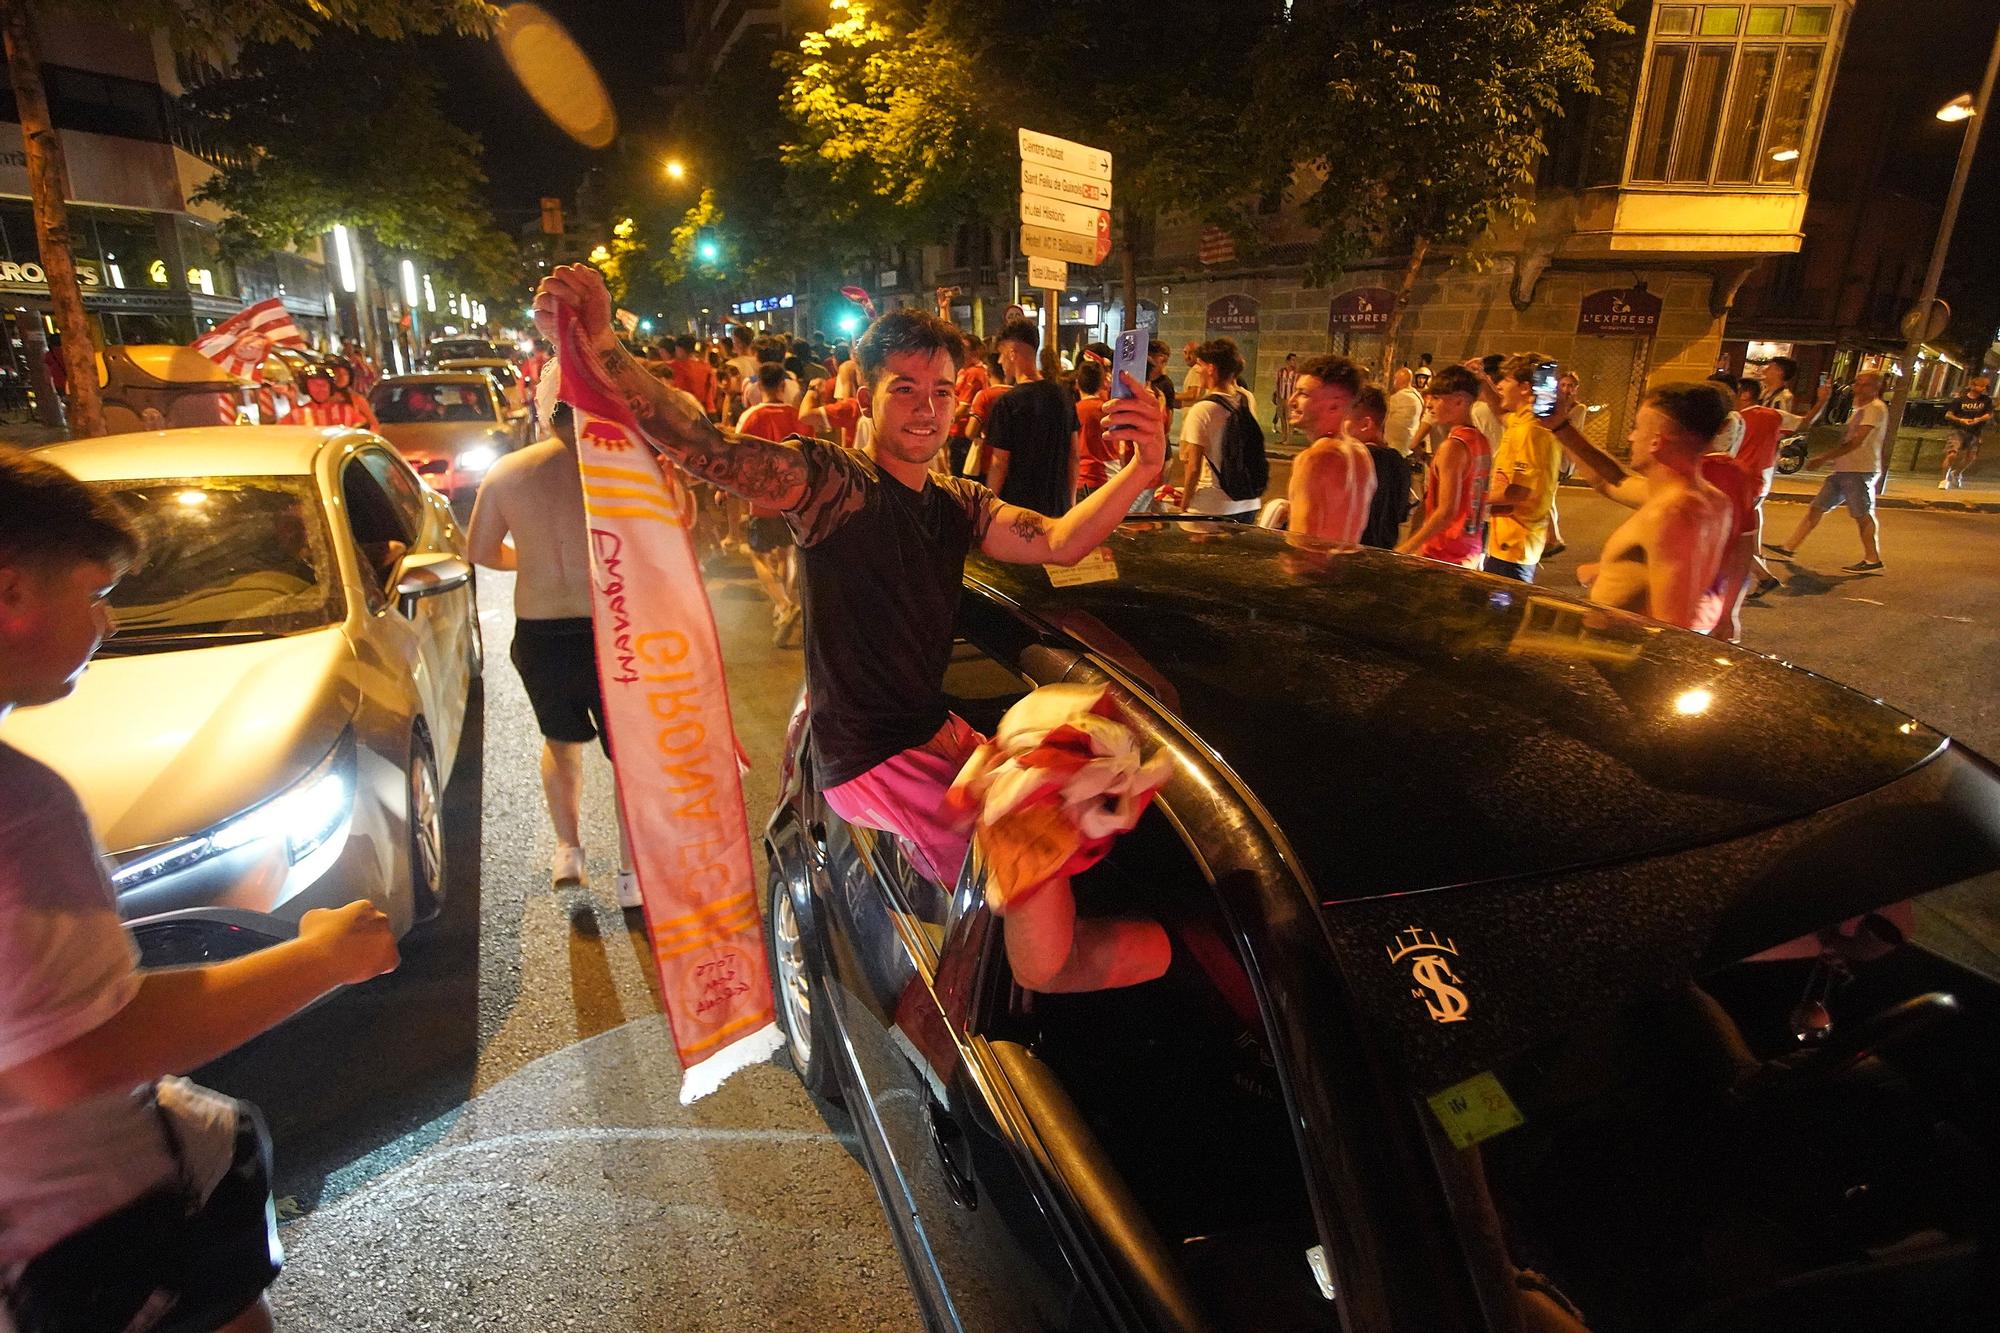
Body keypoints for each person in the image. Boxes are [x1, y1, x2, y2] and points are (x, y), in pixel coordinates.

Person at [533, 264, 1172, 994]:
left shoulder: (957, 502)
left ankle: (1163, 951)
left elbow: (1059, 540)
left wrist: (1142, 469)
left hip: (933, 733)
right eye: (903, 388)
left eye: (939, 391)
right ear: (864, 397)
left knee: (1079, 783)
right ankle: (1081, 974)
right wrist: (606, 344)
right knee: (1033, 873)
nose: (925, 409)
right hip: (870, 759)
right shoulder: (835, 485)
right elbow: (703, 444)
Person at [0, 446, 398, 1332]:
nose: (106, 623)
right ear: (11, 593)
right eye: (97, 592)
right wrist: (322, 957)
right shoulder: (20, 807)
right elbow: (75, 1055)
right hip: (86, 1234)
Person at [466, 399, 639, 904]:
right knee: (628, 756)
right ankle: (630, 876)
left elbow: (478, 550)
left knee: (560, 743)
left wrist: (534, 558)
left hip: (541, 631)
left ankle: (568, 849)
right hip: (611, 629)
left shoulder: (507, 472)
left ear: (546, 415)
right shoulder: (620, 469)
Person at [1546, 380, 1737, 629]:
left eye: (1636, 428)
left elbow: (1674, 628)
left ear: (1656, 442)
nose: (1630, 436)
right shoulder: (1703, 499)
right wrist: (1560, 426)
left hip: (1621, 658)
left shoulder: (1673, 514)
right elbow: (1610, 480)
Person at [1767, 370, 1888, 574]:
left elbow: (1856, 442)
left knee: (1862, 513)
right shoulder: (1861, 407)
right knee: (1817, 507)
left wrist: (1823, 457)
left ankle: (1872, 558)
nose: (1857, 387)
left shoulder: (1875, 408)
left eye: (1864, 384)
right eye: (1857, 382)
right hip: (1845, 469)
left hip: (1859, 469)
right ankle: (1789, 547)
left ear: (1876, 387)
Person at [736, 368, 806, 647]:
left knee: (758, 554)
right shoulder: (796, 416)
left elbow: (737, 454)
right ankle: (782, 606)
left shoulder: (751, 416)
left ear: (760, 385)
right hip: (794, 497)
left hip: (762, 497)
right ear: (782, 385)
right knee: (787, 552)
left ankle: (784, 604)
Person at [1397, 364, 1492, 567]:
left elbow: (1447, 510)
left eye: (1437, 398)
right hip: (1470, 547)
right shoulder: (1480, 441)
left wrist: (1407, 547)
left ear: (1460, 400)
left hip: (1445, 553)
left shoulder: (1453, 447)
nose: (1430, 404)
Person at [984, 317, 1079, 516]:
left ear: (1011, 353)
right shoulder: (1064, 397)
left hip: (1018, 512)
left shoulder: (1008, 403)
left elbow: (999, 464)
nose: (1000, 362)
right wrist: (1069, 503)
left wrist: (988, 509)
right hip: (1057, 510)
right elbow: (1073, 456)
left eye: (1001, 354)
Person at [1482, 353, 1564, 583]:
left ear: (1525, 388)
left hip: (1515, 548)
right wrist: (1481, 379)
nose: (1499, 386)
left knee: (1501, 614)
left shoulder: (1532, 430)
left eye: (1506, 381)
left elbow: (1519, 492)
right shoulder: (1522, 421)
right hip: (1506, 545)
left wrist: (1475, 498)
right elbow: (1499, 412)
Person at [1729, 377, 1807, 599]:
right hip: (1760, 483)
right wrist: (1822, 401)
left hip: (1742, 484)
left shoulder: (1736, 420)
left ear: (1744, 394)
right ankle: (1758, 572)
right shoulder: (1773, 415)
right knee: (1741, 535)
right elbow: (1804, 422)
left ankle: (1762, 577)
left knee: (1728, 538)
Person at [1284, 354, 1373, 544]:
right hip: (1345, 567)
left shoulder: (1315, 459)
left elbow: (1302, 541)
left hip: (1314, 571)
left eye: (1304, 394)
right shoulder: (1361, 454)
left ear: (1334, 406)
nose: (1292, 400)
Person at [1175, 338, 1263, 521]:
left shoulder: (1202, 409)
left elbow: (1193, 468)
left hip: (1215, 505)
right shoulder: (1247, 398)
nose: (1196, 369)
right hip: (1249, 502)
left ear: (1211, 368)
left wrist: (1184, 505)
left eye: (1199, 364)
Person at [1351, 386, 1413, 549]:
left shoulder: (1355, 461)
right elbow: (1401, 515)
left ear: (1366, 424)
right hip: (1384, 554)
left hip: (1350, 554)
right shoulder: (1399, 462)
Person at [1073, 360, 1121, 499]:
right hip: (1109, 475)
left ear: (1077, 383)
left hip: (1084, 477)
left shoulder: (1074, 410)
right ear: (1102, 384)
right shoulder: (1108, 409)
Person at [1940, 372, 1992, 490]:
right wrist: (1961, 420)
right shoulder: (1960, 400)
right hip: (1958, 430)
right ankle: (1944, 479)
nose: (1983, 388)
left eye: (1984, 386)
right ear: (1972, 386)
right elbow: (1948, 415)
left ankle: (1957, 473)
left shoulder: (1986, 400)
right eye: (1981, 386)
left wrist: (1979, 419)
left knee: (1971, 456)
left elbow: (1989, 414)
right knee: (1952, 453)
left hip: (1975, 431)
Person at [668, 335, 717, 418]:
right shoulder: (706, 367)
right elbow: (713, 389)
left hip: (684, 411)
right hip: (706, 411)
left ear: (680, 349)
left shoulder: (675, 366)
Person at [1384, 367, 1425, 454]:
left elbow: (1382, 413)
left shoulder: (1398, 398)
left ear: (1398, 381)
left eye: (1395, 379)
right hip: (1410, 445)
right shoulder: (1418, 396)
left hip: (1395, 447)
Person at [1271, 353, 1300, 447]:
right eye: (1292, 360)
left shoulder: (1297, 373)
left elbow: (1298, 386)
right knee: (1282, 417)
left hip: (1290, 398)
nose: (1294, 362)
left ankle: (1289, 439)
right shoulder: (1281, 372)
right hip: (1281, 397)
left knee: (1289, 418)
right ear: (1287, 361)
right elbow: (1277, 383)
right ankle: (1284, 437)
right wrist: (1276, 395)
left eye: (1295, 360)